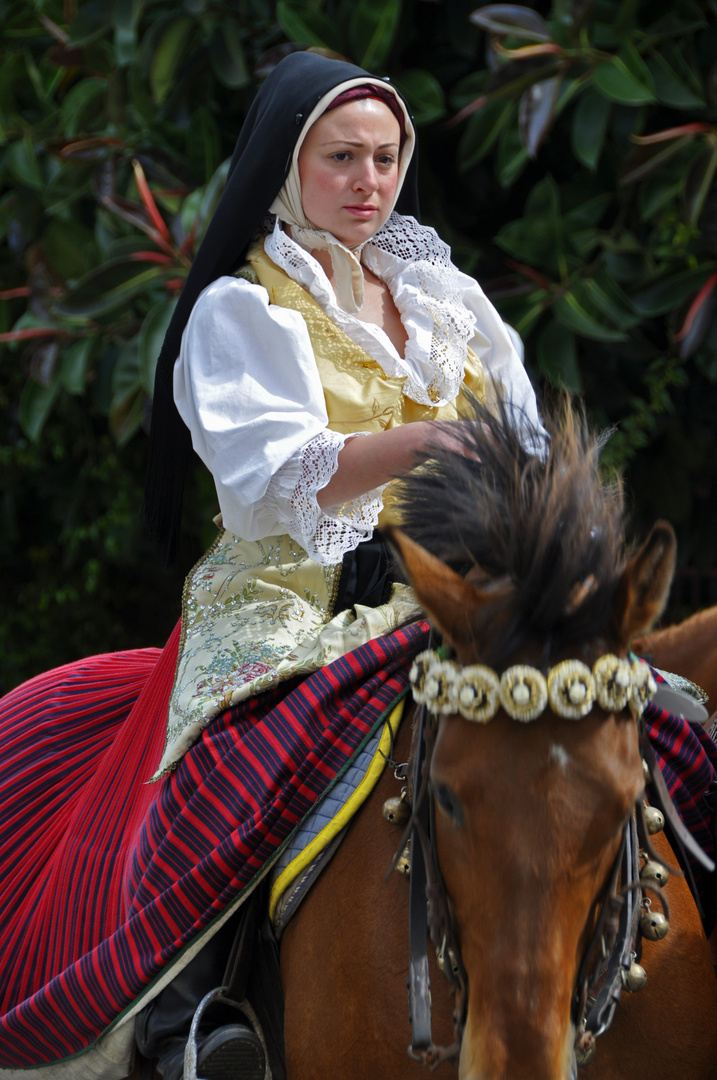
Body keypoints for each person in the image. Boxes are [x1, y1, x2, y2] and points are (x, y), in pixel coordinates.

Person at [0, 50, 545, 1080]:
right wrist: (424, 448)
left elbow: (526, 442)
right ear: (288, 166)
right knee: (246, 743)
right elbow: (272, 475)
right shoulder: (242, 307)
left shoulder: (448, 295)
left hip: (460, 585)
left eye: (385, 158)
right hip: (293, 588)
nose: (369, 182)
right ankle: (191, 1009)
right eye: (342, 157)